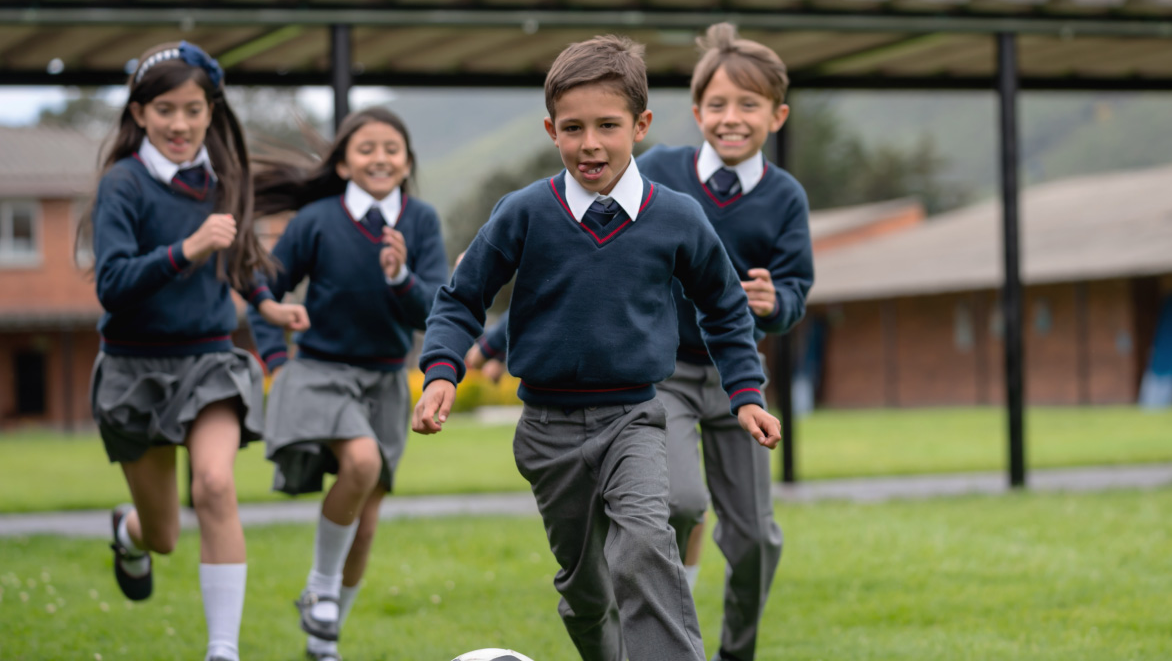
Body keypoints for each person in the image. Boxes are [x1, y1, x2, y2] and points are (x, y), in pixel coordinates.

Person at [412, 34, 782, 661]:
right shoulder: (523, 213)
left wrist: (745, 393)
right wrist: (443, 370)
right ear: (551, 129)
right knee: (586, 591)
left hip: (635, 419)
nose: (590, 144)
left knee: (645, 547)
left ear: (640, 125)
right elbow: (461, 297)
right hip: (547, 433)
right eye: (573, 127)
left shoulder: (679, 217)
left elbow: (723, 307)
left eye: (608, 125)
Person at [85, 40, 309, 661]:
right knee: (161, 535)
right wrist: (186, 250)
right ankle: (127, 532)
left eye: (192, 109)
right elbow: (112, 285)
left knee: (214, 485)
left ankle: (222, 650)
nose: (179, 124)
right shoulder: (122, 186)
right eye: (164, 110)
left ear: (211, 111)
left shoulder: (223, 181)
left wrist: (266, 304)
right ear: (139, 116)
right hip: (135, 370)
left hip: (210, 361)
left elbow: (237, 259)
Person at [637, 22, 813, 661]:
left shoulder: (785, 197)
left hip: (739, 380)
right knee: (681, 502)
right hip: (666, 375)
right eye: (717, 105)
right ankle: (669, 637)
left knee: (757, 541)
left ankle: (734, 654)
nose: (731, 118)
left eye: (749, 105)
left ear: (777, 114)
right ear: (696, 111)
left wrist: (776, 303)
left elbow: (795, 291)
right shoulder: (657, 170)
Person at [248, 107, 449, 661]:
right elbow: (263, 293)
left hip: (385, 380)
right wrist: (276, 362)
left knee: (366, 526)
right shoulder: (315, 220)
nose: (380, 157)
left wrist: (400, 277)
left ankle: (322, 641)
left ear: (407, 162)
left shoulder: (422, 221)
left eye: (391, 147)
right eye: (366, 148)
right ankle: (319, 585)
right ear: (341, 163)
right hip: (320, 373)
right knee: (360, 463)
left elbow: (435, 311)